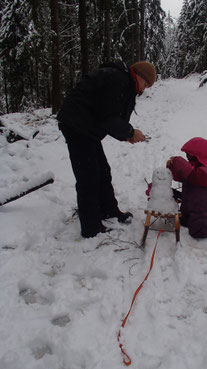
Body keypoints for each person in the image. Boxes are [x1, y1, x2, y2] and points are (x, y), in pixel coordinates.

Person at [57, 60, 156, 238]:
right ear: (139, 76)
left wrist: (126, 135)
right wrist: (130, 132)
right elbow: (107, 116)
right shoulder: (118, 80)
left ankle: (109, 210)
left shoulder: (123, 81)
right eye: (146, 84)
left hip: (88, 127)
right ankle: (90, 227)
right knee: (89, 176)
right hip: (76, 125)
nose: (144, 89)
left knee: (102, 170)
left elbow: (109, 115)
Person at [166, 137, 207, 238]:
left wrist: (179, 161)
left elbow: (194, 176)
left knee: (198, 231)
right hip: (187, 206)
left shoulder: (206, 172)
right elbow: (179, 176)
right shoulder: (191, 169)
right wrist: (171, 167)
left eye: (189, 155)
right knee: (183, 222)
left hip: (200, 209)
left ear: (198, 156)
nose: (187, 157)